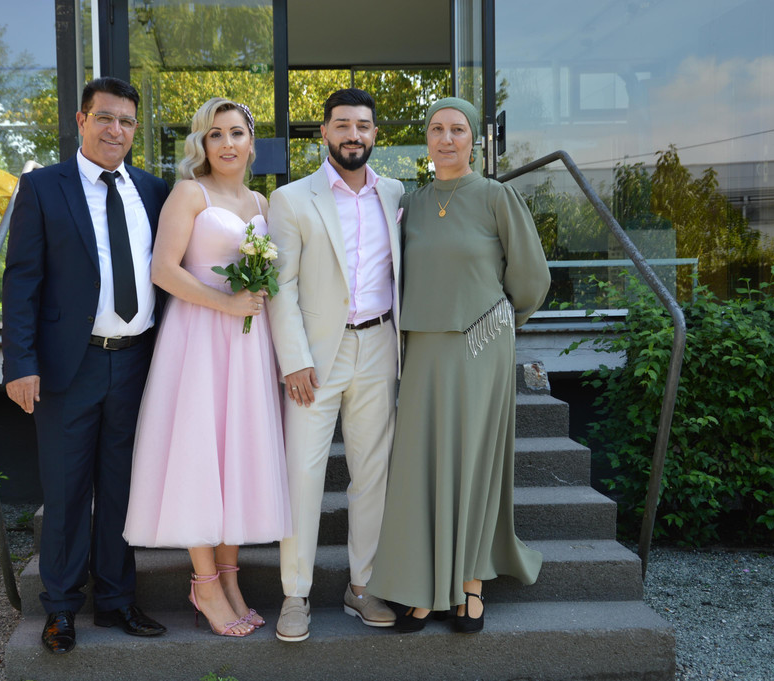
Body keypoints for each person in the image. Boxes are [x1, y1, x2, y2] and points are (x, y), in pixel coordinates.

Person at [366, 97, 551, 633]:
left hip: (479, 346)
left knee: (472, 462)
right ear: (426, 139)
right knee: (421, 464)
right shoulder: (411, 203)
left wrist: (499, 320)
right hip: (422, 348)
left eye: (457, 129)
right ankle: (425, 587)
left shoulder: (496, 196)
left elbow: (532, 277)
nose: (446, 139)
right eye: (436, 129)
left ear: (474, 140)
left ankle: (470, 583)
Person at [1, 77, 170, 654]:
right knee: (68, 489)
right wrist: (19, 362)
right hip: (68, 367)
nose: (115, 130)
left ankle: (118, 599)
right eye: (104, 118)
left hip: (137, 362)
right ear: (81, 120)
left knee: (122, 487)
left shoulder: (154, 191)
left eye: (126, 121)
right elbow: (21, 281)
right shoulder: (42, 187)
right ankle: (61, 607)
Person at [123, 97, 291, 637]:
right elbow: (163, 270)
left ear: (251, 142)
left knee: (236, 452)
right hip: (198, 336)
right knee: (201, 451)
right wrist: (226, 303)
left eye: (236, 133)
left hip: (248, 344)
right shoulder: (189, 193)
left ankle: (230, 578)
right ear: (202, 143)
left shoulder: (262, 201)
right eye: (214, 134)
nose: (226, 143)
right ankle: (204, 584)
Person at [267, 88, 403, 642]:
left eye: (363, 125)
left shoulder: (395, 193)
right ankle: (294, 594)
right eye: (342, 124)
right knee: (304, 473)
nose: (353, 134)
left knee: (373, 475)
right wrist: (294, 360)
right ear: (324, 132)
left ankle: (362, 586)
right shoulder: (291, 198)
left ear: (375, 135)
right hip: (316, 356)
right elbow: (281, 286)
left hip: (379, 345)